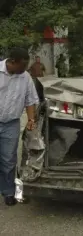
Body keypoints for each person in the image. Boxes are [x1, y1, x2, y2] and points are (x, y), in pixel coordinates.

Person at [0, 48, 39, 206]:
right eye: (22, 67)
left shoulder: (25, 77)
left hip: (11, 123)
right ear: (12, 62)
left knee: (9, 160)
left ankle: (8, 192)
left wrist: (31, 119)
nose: (24, 70)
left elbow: (30, 100)